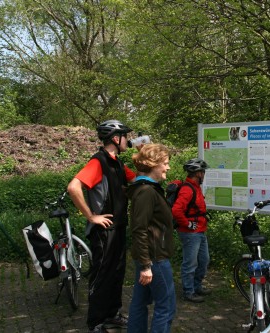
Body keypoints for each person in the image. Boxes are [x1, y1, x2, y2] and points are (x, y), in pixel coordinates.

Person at [67, 119, 134, 333]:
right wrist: (91, 216)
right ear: (116, 138)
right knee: (101, 275)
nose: (128, 140)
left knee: (117, 273)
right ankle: (96, 322)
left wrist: (145, 154)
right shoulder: (99, 162)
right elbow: (73, 187)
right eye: (126, 136)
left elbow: (140, 179)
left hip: (119, 227)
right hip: (104, 232)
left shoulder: (118, 164)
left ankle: (112, 315)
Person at [126, 143, 176, 333]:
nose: (168, 167)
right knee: (166, 307)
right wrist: (147, 265)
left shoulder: (147, 188)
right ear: (153, 164)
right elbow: (139, 229)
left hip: (147, 257)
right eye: (165, 163)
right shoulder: (146, 191)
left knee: (139, 303)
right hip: (155, 259)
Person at [172, 158, 211, 303]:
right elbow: (176, 210)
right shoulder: (187, 189)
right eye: (203, 172)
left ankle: (197, 286)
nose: (204, 174)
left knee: (204, 260)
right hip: (190, 233)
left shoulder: (195, 187)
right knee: (190, 263)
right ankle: (189, 291)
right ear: (198, 173)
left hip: (200, 230)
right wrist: (188, 224)